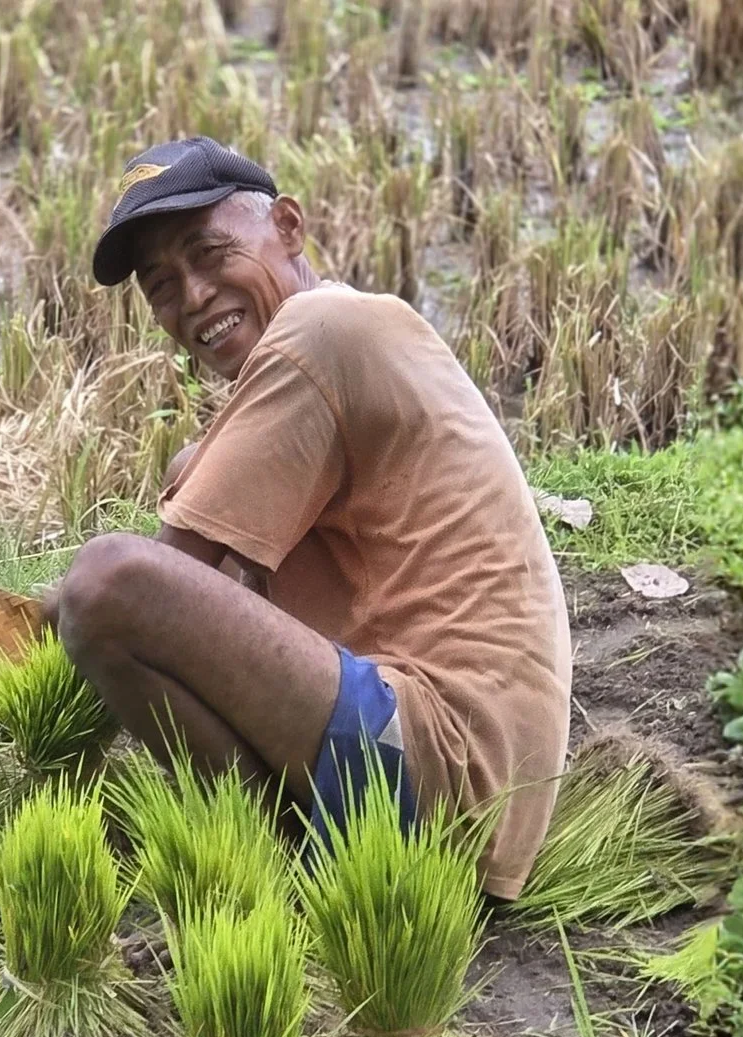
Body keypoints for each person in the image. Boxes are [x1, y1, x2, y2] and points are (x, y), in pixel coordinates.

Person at [46, 136, 571, 905]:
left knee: (105, 583)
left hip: (444, 761)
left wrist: (19, 643)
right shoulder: (346, 332)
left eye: (210, 253)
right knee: (193, 471)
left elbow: (156, 580)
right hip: (463, 768)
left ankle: (271, 871)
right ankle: (290, 858)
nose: (191, 297)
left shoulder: (321, 331)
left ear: (288, 227)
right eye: (161, 285)